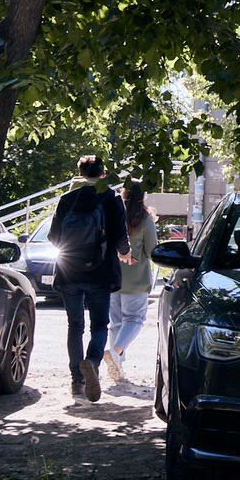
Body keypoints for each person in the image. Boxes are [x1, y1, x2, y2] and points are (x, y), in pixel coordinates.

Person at [51, 154, 128, 404]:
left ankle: (76, 380)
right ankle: (92, 363)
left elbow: (53, 237)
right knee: (99, 325)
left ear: (80, 173)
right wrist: (125, 252)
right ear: (102, 174)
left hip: (68, 271)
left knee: (75, 326)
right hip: (100, 272)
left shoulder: (66, 199)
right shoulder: (111, 198)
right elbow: (120, 236)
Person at [105, 180, 159, 390]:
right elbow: (151, 251)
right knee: (135, 319)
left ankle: (117, 366)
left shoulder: (113, 215)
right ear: (142, 196)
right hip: (135, 278)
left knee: (116, 323)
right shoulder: (145, 220)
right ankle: (116, 352)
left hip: (112, 276)